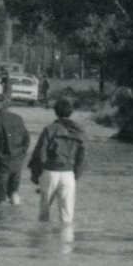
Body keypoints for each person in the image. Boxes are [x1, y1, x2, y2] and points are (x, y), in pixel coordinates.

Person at [28, 95, 87, 223]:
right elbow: (82, 157)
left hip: (50, 172)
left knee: (43, 213)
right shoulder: (79, 131)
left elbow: (39, 154)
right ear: (71, 112)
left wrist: (36, 175)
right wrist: (76, 175)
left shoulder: (50, 129)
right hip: (69, 174)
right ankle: (66, 241)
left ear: (55, 111)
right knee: (67, 216)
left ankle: (42, 240)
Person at [0, 88, 33, 206]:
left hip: (1, 161)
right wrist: (22, 152)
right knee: (14, 192)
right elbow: (27, 138)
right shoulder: (17, 117)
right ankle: (15, 219)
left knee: (0, 197)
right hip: (18, 160)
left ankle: (0, 222)